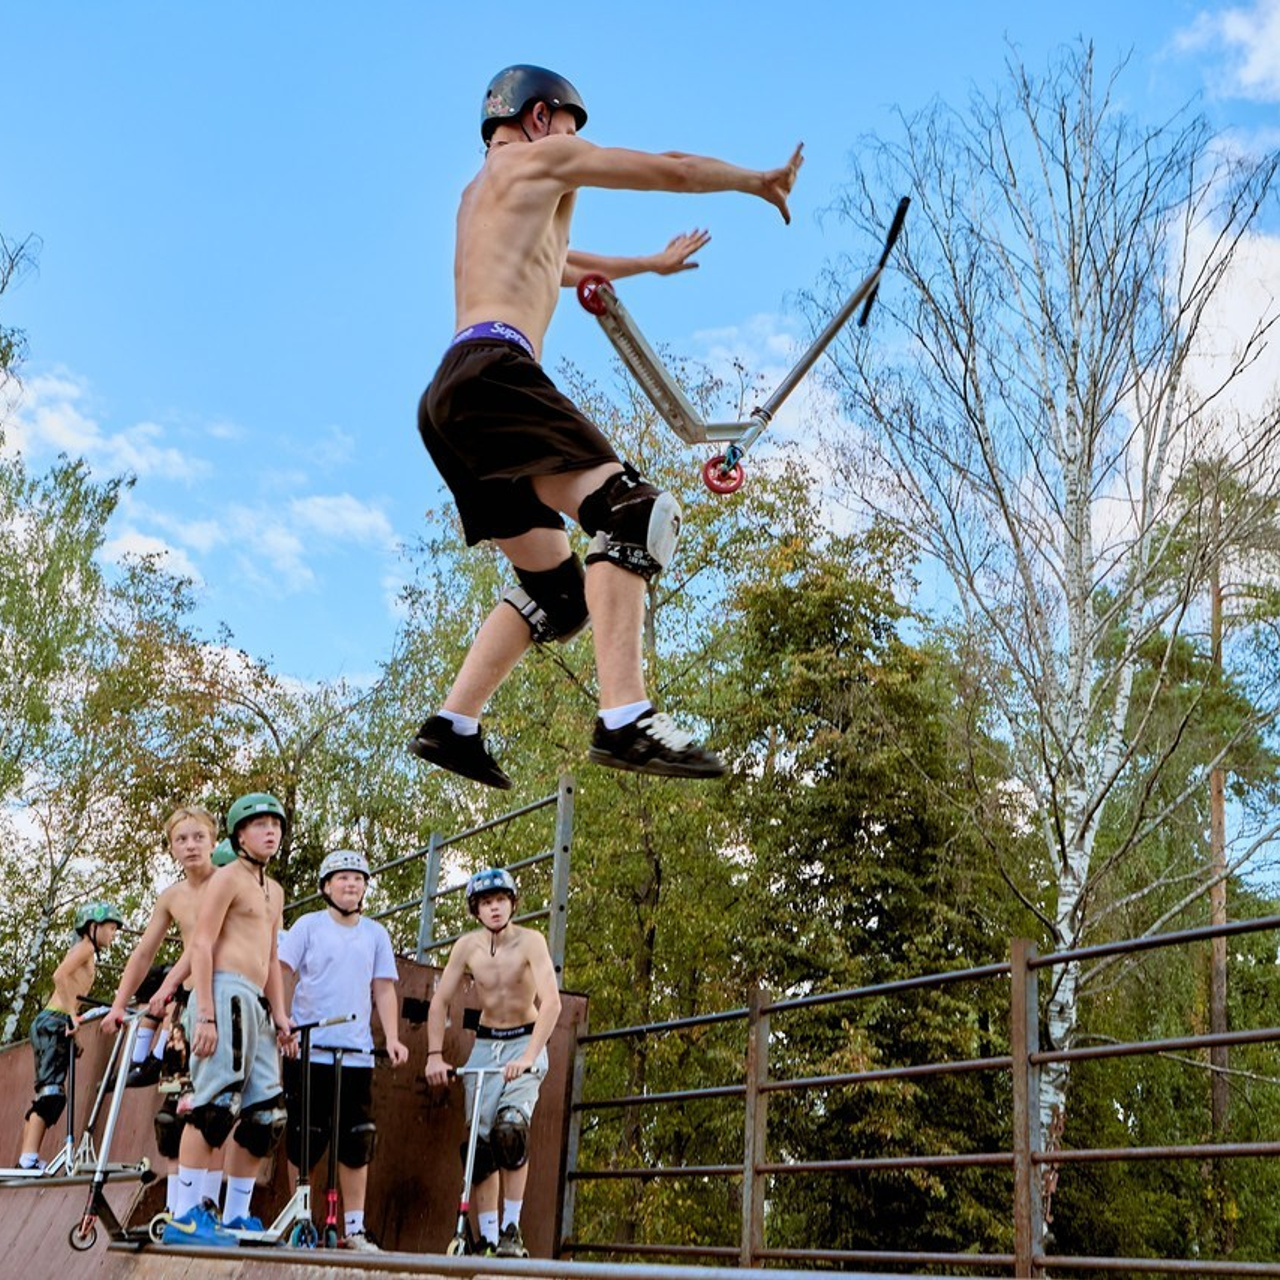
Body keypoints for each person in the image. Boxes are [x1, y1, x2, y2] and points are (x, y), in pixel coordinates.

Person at [410, 64, 803, 789]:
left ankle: (453, 724)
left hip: (452, 396)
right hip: (497, 373)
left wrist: (648, 265)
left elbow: (561, 260)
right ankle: (627, 718)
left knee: (559, 594)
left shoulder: (484, 197)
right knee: (633, 512)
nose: (572, 143)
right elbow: (669, 169)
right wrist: (757, 182)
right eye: (567, 125)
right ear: (536, 117)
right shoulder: (538, 157)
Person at [162, 792, 295, 1247]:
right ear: (240, 834)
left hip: (256, 1002)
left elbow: (273, 956)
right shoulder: (227, 879)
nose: (270, 831)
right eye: (259, 825)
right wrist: (204, 1014)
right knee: (215, 1107)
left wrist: (280, 1016)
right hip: (223, 991)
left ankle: (236, 1217)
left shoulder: (273, 890)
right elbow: (200, 945)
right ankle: (184, 1216)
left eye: (275, 824)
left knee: (266, 1118)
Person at [424, 867, 561, 1257]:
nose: (495, 908)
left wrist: (530, 1056)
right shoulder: (467, 948)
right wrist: (434, 1055)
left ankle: (511, 1229)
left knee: (510, 1130)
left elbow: (551, 1003)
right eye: (487, 902)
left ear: (512, 904)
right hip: (487, 1044)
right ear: (476, 910)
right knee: (479, 1148)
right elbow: (439, 1001)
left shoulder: (531, 942)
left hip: (525, 1040)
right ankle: (485, 1238)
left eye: (501, 900)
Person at [279, 849, 409, 1252]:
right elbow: (283, 973)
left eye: (358, 878)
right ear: (326, 886)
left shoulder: (375, 934)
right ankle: (299, 1218)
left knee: (356, 1137)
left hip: (355, 1051)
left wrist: (392, 1036)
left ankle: (354, 1227)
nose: (351, 884)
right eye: (342, 877)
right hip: (310, 1046)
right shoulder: (307, 926)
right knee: (305, 1135)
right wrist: (283, 1024)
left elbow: (384, 988)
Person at [100, 806, 222, 1214]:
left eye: (198, 837)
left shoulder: (229, 884)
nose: (190, 846)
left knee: (218, 1110)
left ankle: (207, 1206)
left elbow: (207, 944)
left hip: (226, 1001)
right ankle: (177, 1208)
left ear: (214, 841)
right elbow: (143, 952)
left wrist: (168, 984)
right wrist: (118, 1005)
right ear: (171, 848)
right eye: (181, 839)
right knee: (175, 1113)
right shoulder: (171, 896)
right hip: (185, 1014)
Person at [16, 901, 123, 1169]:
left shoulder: (89, 952)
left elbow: (73, 997)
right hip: (53, 1020)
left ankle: (25, 1157)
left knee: (48, 1092)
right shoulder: (85, 948)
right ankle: (28, 1158)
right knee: (52, 1094)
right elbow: (59, 975)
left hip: (55, 1022)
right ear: (93, 927)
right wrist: (71, 1016)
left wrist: (73, 1035)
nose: (113, 934)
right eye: (110, 928)